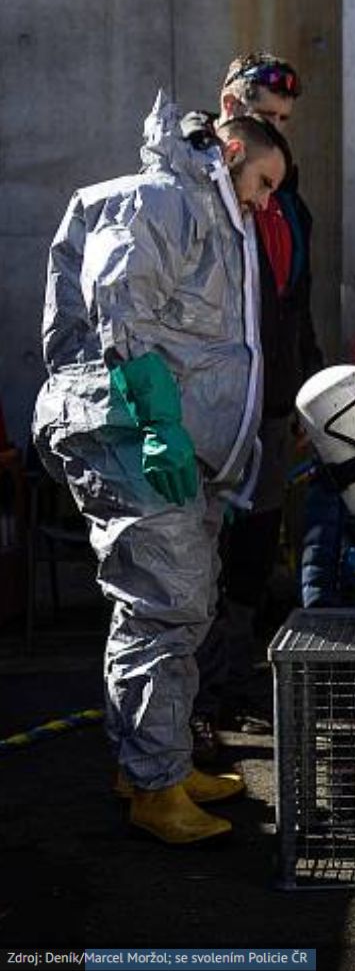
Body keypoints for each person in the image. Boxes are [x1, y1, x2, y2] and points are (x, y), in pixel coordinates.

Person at [32, 94, 290, 844]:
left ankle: (156, 762)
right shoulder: (158, 199)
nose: (265, 202)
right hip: (128, 431)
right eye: (264, 182)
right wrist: (156, 420)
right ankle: (154, 784)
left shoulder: (210, 215)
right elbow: (121, 305)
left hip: (171, 444)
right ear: (233, 153)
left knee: (180, 605)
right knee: (163, 605)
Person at [186, 53, 322, 756]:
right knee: (197, 557)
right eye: (264, 115)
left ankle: (230, 689)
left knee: (251, 553)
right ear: (228, 106)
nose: (277, 128)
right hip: (209, 411)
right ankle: (192, 708)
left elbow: (296, 309)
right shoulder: (190, 188)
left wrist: (307, 395)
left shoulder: (287, 203)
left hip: (269, 407)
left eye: (285, 120)